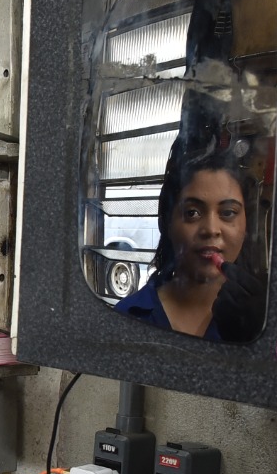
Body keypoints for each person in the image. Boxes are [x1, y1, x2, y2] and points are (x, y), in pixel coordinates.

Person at [114, 146, 266, 343]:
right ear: (167, 223)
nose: (211, 229)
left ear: (247, 224)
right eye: (192, 212)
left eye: (228, 212)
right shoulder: (126, 317)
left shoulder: (267, 319)